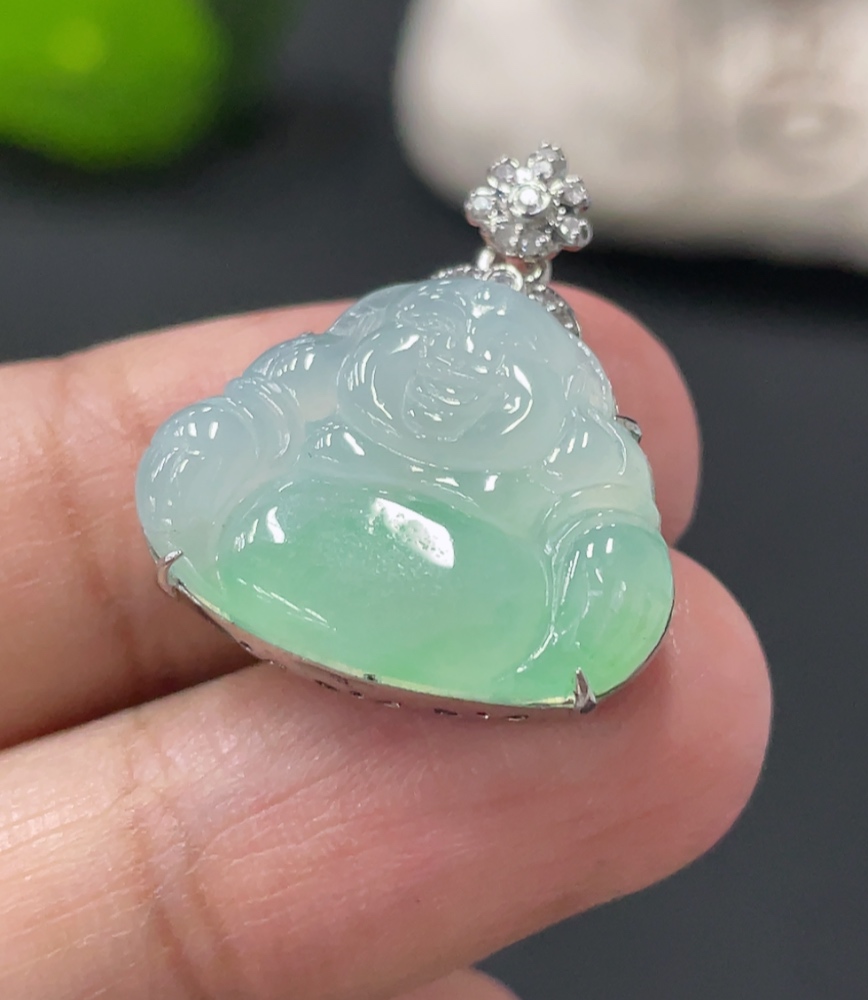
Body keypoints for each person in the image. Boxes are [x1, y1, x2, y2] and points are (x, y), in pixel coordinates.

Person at [0, 287, 771, 1000]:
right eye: (430, 341)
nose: (453, 371)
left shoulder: (576, 457)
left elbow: (604, 533)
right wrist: (206, 475)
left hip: (482, 602)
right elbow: (245, 421)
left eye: (495, 364)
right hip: (292, 539)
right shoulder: (315, 385)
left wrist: (595, 602)